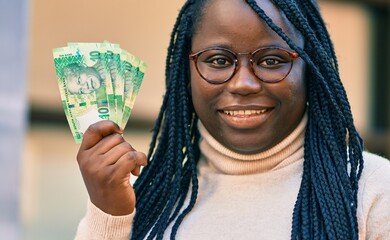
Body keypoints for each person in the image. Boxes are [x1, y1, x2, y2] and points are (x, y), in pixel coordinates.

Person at [74, 0, 390, 239]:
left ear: (312, 70)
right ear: (186, 74)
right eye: (219, 60)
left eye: (271, 60)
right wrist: (109, 216)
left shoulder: (373, 191)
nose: (243, 84)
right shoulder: (147, 201)